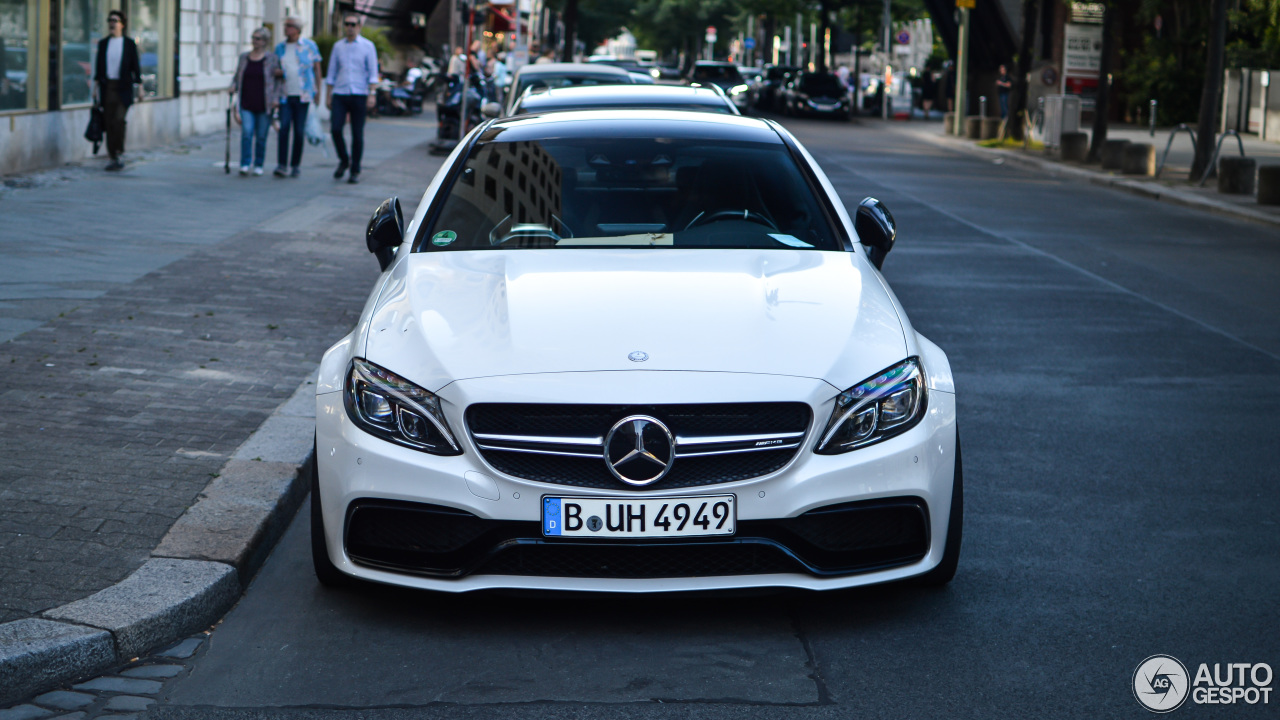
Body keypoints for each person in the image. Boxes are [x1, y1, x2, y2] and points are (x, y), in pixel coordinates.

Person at [326, 14, 378, 184]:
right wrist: (328, 94)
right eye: (347, 24)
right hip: (340, 93)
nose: (349, 27)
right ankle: (344, 160)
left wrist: (372, 94)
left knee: (357, 134)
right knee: (335, 129)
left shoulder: (367, 46)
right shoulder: (338, 46)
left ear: (358, 26)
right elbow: (332, 72)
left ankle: (355, 169)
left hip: (359, 93)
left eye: (353, 24)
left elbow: (372, 72)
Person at [273, 16, 323, 178]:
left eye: (289, 26)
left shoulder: (309, 46)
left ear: (297, 29)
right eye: (285, 25)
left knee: (299, 131)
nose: (285, 28)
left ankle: (295, 165)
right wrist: (278, 73)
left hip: (304, 95)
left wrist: (318, 92)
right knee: (284, 128)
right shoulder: (279, 48)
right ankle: (282, 164)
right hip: (285, 95)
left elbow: (317, 69)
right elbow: (274, 68)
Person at [93, 10, 142, 171]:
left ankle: (119, 152)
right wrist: (95, 88)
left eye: (115, 20)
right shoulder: (103, 44)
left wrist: (140, 87)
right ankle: (112, 156)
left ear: (122, 24)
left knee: (119, 121)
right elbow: (99, 69)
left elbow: (136, 67)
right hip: (107, 88)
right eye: (110, 21)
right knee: (108, 122)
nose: (112, 23)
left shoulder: (128, 44)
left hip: (123, 89)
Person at [231, 27, 281, 176]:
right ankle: (245, 163)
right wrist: (233, 86)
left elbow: (278, 81)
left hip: (264, 103)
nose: (254, 41)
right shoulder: (244, 57)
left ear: (265, 41)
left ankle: (258, 163)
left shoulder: (271, 59)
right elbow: (237, 76)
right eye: (253, 38)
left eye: (258, 38)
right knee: (246, 132)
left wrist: (276, 99)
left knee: (261, 136)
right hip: (246, 101)